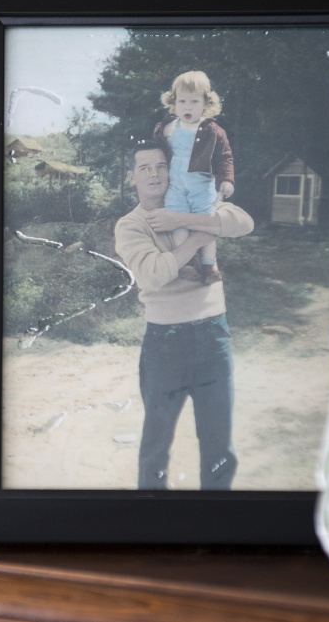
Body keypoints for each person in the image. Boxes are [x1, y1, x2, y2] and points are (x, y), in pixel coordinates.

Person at [114, 141, 253, 490]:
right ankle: (151, 531)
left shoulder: (194, 201)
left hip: (213, 336)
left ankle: (218, 532)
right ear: (131, 177)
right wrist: (199, 235)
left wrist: (181, 220)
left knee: (219, 444)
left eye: (161, 166)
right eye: (144, 168)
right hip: (165, 342)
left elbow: (243, 221)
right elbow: (154, 273)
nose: (154, 174)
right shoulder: (130, 226)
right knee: (156, 446)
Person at [152, 70, 235, 285]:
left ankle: (209, 265)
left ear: (206, 103)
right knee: (176, 221)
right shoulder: (168, 128)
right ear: (174, 102)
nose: (187, 107)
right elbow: (156, 152)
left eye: (194, 101)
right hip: (175, 185)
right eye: (182, 101)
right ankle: (189, 262)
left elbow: (225, 156)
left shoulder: (212, 130)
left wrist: (226, 179)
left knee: (204, 223)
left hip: (201, 184)